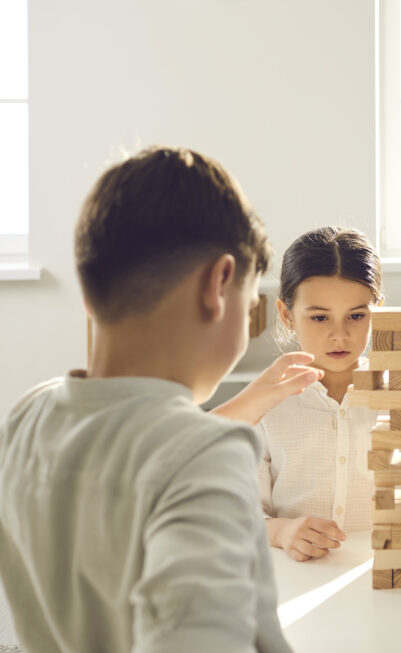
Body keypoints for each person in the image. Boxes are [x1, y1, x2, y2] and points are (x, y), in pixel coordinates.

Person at [0, 146, 295, 652]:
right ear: (218, 284)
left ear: (89, 294)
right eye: (249, 309)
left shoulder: (25, 417)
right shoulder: (204, 454)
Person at [259, 226, 401, 562]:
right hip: (295, 578)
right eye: (319, 317)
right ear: (287, 315)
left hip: (384, 576)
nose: (339, 334)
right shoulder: (265, 403)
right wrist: (280, 530)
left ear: (379, 311)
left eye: (357, 316)